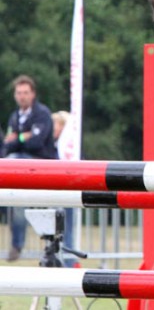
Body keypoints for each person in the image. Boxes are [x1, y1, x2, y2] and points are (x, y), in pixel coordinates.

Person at [3, 74, 55, 261]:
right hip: (21, 169)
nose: (22, 96)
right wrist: (24, 136)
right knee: (16, 206)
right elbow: (7, 144)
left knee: (51, 212)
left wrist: (18, 138)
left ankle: (53, 249)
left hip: (43, 167)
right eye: (18, 93)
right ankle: (17, 246)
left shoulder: (42, 113)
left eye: (25, 92)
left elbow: (37, 142)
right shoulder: (14, 116)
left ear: (33, 94)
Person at [51, 110, 76, 267]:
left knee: (66, 232)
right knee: (58, 233)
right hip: (59, 194)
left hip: (67, 194)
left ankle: (68, 263)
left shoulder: (67, 149)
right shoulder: (55, 146)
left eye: (55, 124)